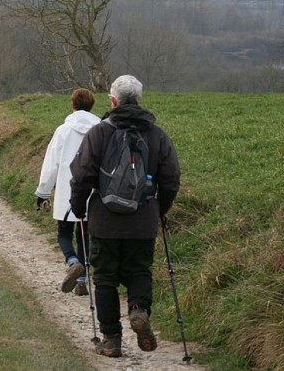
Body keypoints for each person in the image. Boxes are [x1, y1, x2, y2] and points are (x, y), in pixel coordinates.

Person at [70, 75, 180, 358]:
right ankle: (138, 310)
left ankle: (111, 340)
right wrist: (159, 210)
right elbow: (170, 179)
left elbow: (82, 175)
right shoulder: (157, 135)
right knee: (139, 271)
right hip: (142, 219)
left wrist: (79, 208)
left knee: (105, 278)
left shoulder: (99, 133)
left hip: (104, 220)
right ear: (139, 100)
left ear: (113, 100)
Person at [35, 88, 100, 296]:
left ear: (72, 105)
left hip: (67, 193)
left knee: (64, 233)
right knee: (84, 236)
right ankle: (81, 282)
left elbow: (51, 164)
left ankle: (71, 261)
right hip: (92, 193)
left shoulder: (63, 130)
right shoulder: (100, 130)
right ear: (92, 106)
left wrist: (43, 192)